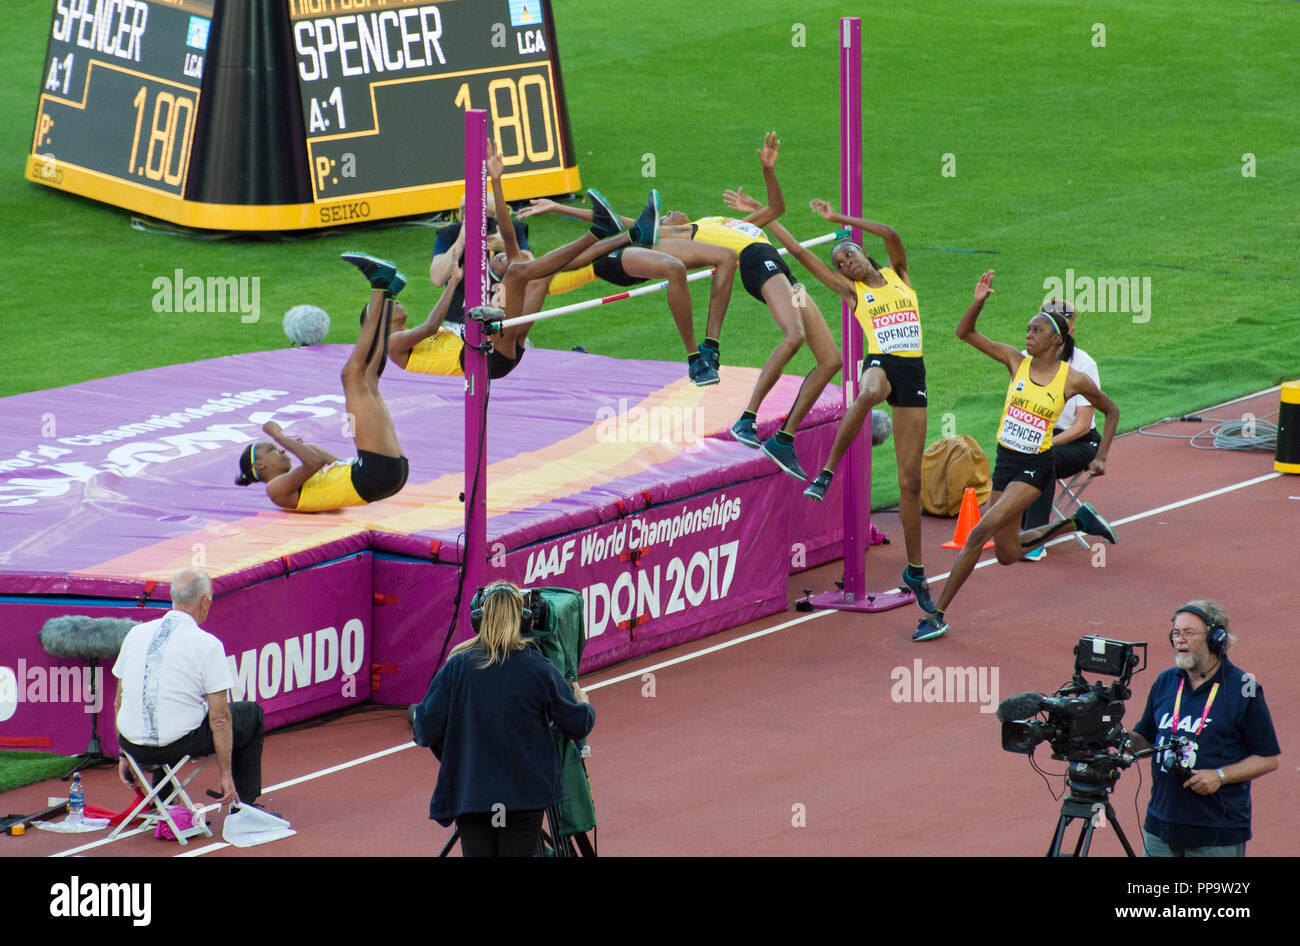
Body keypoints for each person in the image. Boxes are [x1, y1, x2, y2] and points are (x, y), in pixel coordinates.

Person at [914, 271, 1119, 642]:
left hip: (1034, 466)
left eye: (1036, 331)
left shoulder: (1073, 379)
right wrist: (978, 301)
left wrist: (1101, 456)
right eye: (1027, 329)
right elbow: (965, 334)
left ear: (1057, 339)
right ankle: (1076, 522)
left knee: (979, 532)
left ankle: (936, 613)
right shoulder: (1015, 361)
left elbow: (1112, 411)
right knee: (1007, 552)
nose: (1027, 335)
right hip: (1005, 459)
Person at [755, 196, 935, 609]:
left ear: (862, 253)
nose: (845, 264)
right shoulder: (853, 294)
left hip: (914, 372)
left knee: (910, 482)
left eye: (849, 255)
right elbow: (801, 256)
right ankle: (827, 472)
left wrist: (839, 220)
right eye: (839, 263)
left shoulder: (899, 275)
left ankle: (916, 570)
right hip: (881, 363)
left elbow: (890, 234)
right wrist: (768, 224)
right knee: (869, 391)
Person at [389, 148, 639, 381]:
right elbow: (433, 311)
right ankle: (601, 231)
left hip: (497, 346)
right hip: (487, 356)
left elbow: (512, 242)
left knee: (537, 275)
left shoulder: (502, 241)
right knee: (521, 271)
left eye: (480, 214)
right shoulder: (394, 343)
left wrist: (496, 182)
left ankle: (619, 234)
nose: (397, 302)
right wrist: (455, 276)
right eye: (465, 211)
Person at [412, 581, 595, 857]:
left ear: (479, 621)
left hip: (471, 796)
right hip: (524, 798)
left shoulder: (457, 667)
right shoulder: (539, 668)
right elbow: (576, 724)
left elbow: (424, 730)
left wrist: (434, 732)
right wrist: (584, 706)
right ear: (524, 621)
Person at [234, 253, 409, 511]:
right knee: (351, 375)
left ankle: (386, 295)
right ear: (260, 467)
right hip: (375, 475)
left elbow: (330, 463)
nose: (280, 451)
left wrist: (301, 447)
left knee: (368, 379)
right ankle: (379, 284)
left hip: (383, 474)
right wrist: (278, 435)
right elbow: (315, 463)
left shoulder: (303, 484)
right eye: (272, 449)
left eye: (275, 447)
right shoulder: (276, 491)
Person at [517, 191, 740, 386]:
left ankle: (706, 350)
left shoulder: (690, 234)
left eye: (668, 215)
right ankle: (695, 359)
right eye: (664, 215)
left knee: (722, 257)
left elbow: (767, 215)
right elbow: (615, 220)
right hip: (607, 263)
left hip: (621, 260)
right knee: (662, 260)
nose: (669, 212)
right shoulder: (661, 232)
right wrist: (558, 206)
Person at [1127, 601, 1280, 856]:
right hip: (1161, 827)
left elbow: (1269, 759)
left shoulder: (1244, 688)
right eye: (1176, 633)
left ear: (1216, 638)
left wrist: (1219, 776)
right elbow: (1146, 738)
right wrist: (1114, 736)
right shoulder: (1166, 682)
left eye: (1189, 633)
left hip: (1215, 832)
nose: (1180, 640)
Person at [112, 568, 265, 808]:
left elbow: (118, 703)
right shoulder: (208, 644)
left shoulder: (134, 634)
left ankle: (163, 799)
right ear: (205, 601)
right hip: (176, 745)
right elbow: (220, 719)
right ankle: (244, 805)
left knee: (173, 710)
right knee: (251, 714)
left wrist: (124, 754)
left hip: (134, 747)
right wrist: (226, 774)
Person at [1020, 300, 1103, 561]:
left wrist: (1046, 443)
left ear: (1069, 333)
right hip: (1041, 432)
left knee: (1043, 458)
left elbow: (1082, 424)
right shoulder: (1026, 358)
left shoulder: (1084, 365)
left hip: (1080, 441)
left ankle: (1035, 538)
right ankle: (1010, 523)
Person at [429, 181, 531, 326]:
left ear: (494, 215)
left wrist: (507, 246)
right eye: (466, 212)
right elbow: (437, 279)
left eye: (483, 212)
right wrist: (460, 242)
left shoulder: (511, 232)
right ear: (460, 215)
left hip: (505, 318)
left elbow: (531, 271)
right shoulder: (450, 235)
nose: (474, 218)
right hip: (459, 320)